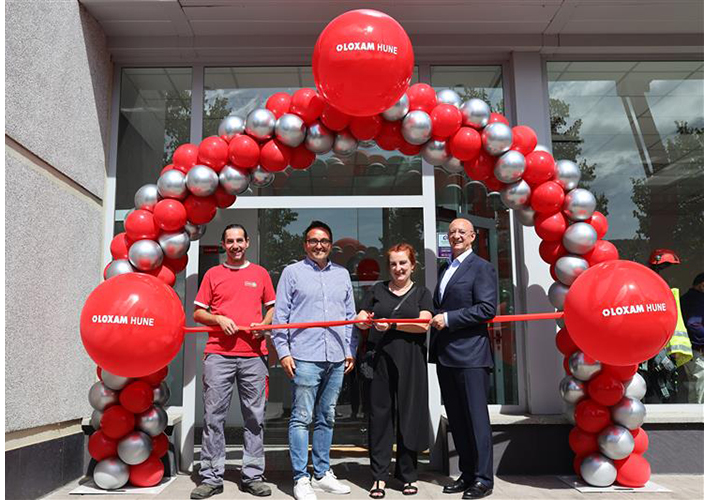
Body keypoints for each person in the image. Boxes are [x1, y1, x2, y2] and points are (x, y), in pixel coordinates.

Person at [272, 221, 358, 500]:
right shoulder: (292, 273)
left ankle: (321, 473)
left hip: (335, 356)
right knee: (301, 417)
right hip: (305, 356)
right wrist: (284, 352)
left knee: (327, 416)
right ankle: (301, 478)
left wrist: (349, 349)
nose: (318, 245)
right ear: (305, 245)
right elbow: (279, 317)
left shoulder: (342, 274)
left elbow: (349, 317)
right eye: (313, 241)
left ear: (331, 245)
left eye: (323, 241)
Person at [191, 224, 275, 499]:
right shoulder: (213, 274)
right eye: (230, 241)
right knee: (214, 418)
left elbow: (273, 307)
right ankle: (211, 477)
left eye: (240, 240)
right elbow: (198, 314)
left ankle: (252, 476)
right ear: (224, 245)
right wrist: (219, 319)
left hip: (253, 355)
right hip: (219, 355)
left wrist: (263, 325)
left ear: (248, 242)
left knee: (255, 418)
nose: (236, 245)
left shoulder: (260, 273)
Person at [354, 243, 434, 498]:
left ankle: (408, 475)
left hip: (411, 361)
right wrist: (363, 319)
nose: (398, 268)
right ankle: (378, 477)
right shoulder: (377, 290)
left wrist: (393, 324)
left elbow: (423, 324)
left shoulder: (422, 292)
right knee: (380, 418)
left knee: (410, 416)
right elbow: (361, 316)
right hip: (380, 361)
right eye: (393, 264)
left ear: (413, 265)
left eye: (403, 263)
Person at [430, 218, 497, 500]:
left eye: (461, 232)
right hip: (446, 356)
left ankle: (483, 479)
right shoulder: (446, 269)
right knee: (457, 419)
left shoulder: (481, 268)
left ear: (472, 237)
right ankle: (467, 474)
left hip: (471, 356)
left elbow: (487, 309)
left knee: (476, 420)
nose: (456, 236)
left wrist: (449, 318)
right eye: (452, 232)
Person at [642, 249, 693, 402]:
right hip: (651, 344)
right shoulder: (648, 288)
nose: (667, 273)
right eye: (663, 268)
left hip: (664, 345)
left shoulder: (668, 292)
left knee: (665, 381)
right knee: (652, 382)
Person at [681, 273, 704, 403]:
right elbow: (693, 323)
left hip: (689, 352)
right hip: (699, 352)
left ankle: (693, 421)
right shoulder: (699, 300)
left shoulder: (686, 298)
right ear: (703, 285)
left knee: (694, 389)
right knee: (703, 390)